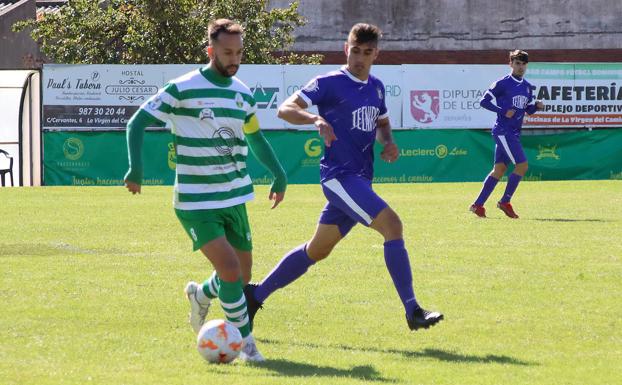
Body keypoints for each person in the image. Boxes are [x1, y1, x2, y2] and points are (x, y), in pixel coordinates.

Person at [244, 23, 443, 333]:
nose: (359, 58)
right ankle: (413, 310)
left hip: (360, 180)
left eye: (367, 52)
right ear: (345, 48)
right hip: (339, 177)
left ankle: (254, 296)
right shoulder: (329, 82)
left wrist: (388, 141)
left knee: (317, 250)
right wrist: (315, 119)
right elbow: (285, 109)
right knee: (392, 225)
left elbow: (383, 121)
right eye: (355, 50)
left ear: (376, 53)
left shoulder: (376, 87)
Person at [124, 19, 287, 362]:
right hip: (196, 201)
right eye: (228, 52)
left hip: (235, 196)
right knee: (230, 270)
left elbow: (255, 137)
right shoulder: (182, 88)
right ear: (211, 51)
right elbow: (137, 121)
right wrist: (136, 168)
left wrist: (279, 173)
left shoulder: (243, 93)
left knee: (242, 276)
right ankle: (245, 343)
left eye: (239, 52)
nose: (234, 58)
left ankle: (200, 295)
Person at [470, 50, 544, 219]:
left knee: (499, 169)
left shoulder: (527, 86)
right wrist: (502, 111)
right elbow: (483, 101)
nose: (521, 67)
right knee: (522, 165)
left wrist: (537, 107)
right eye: (517, 63)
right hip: (503, 131)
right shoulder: (502, 83)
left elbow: (528, 110)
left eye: (523, 64)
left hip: (514, 132)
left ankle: (477, 205)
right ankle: (505, 201)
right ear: (510, 64)